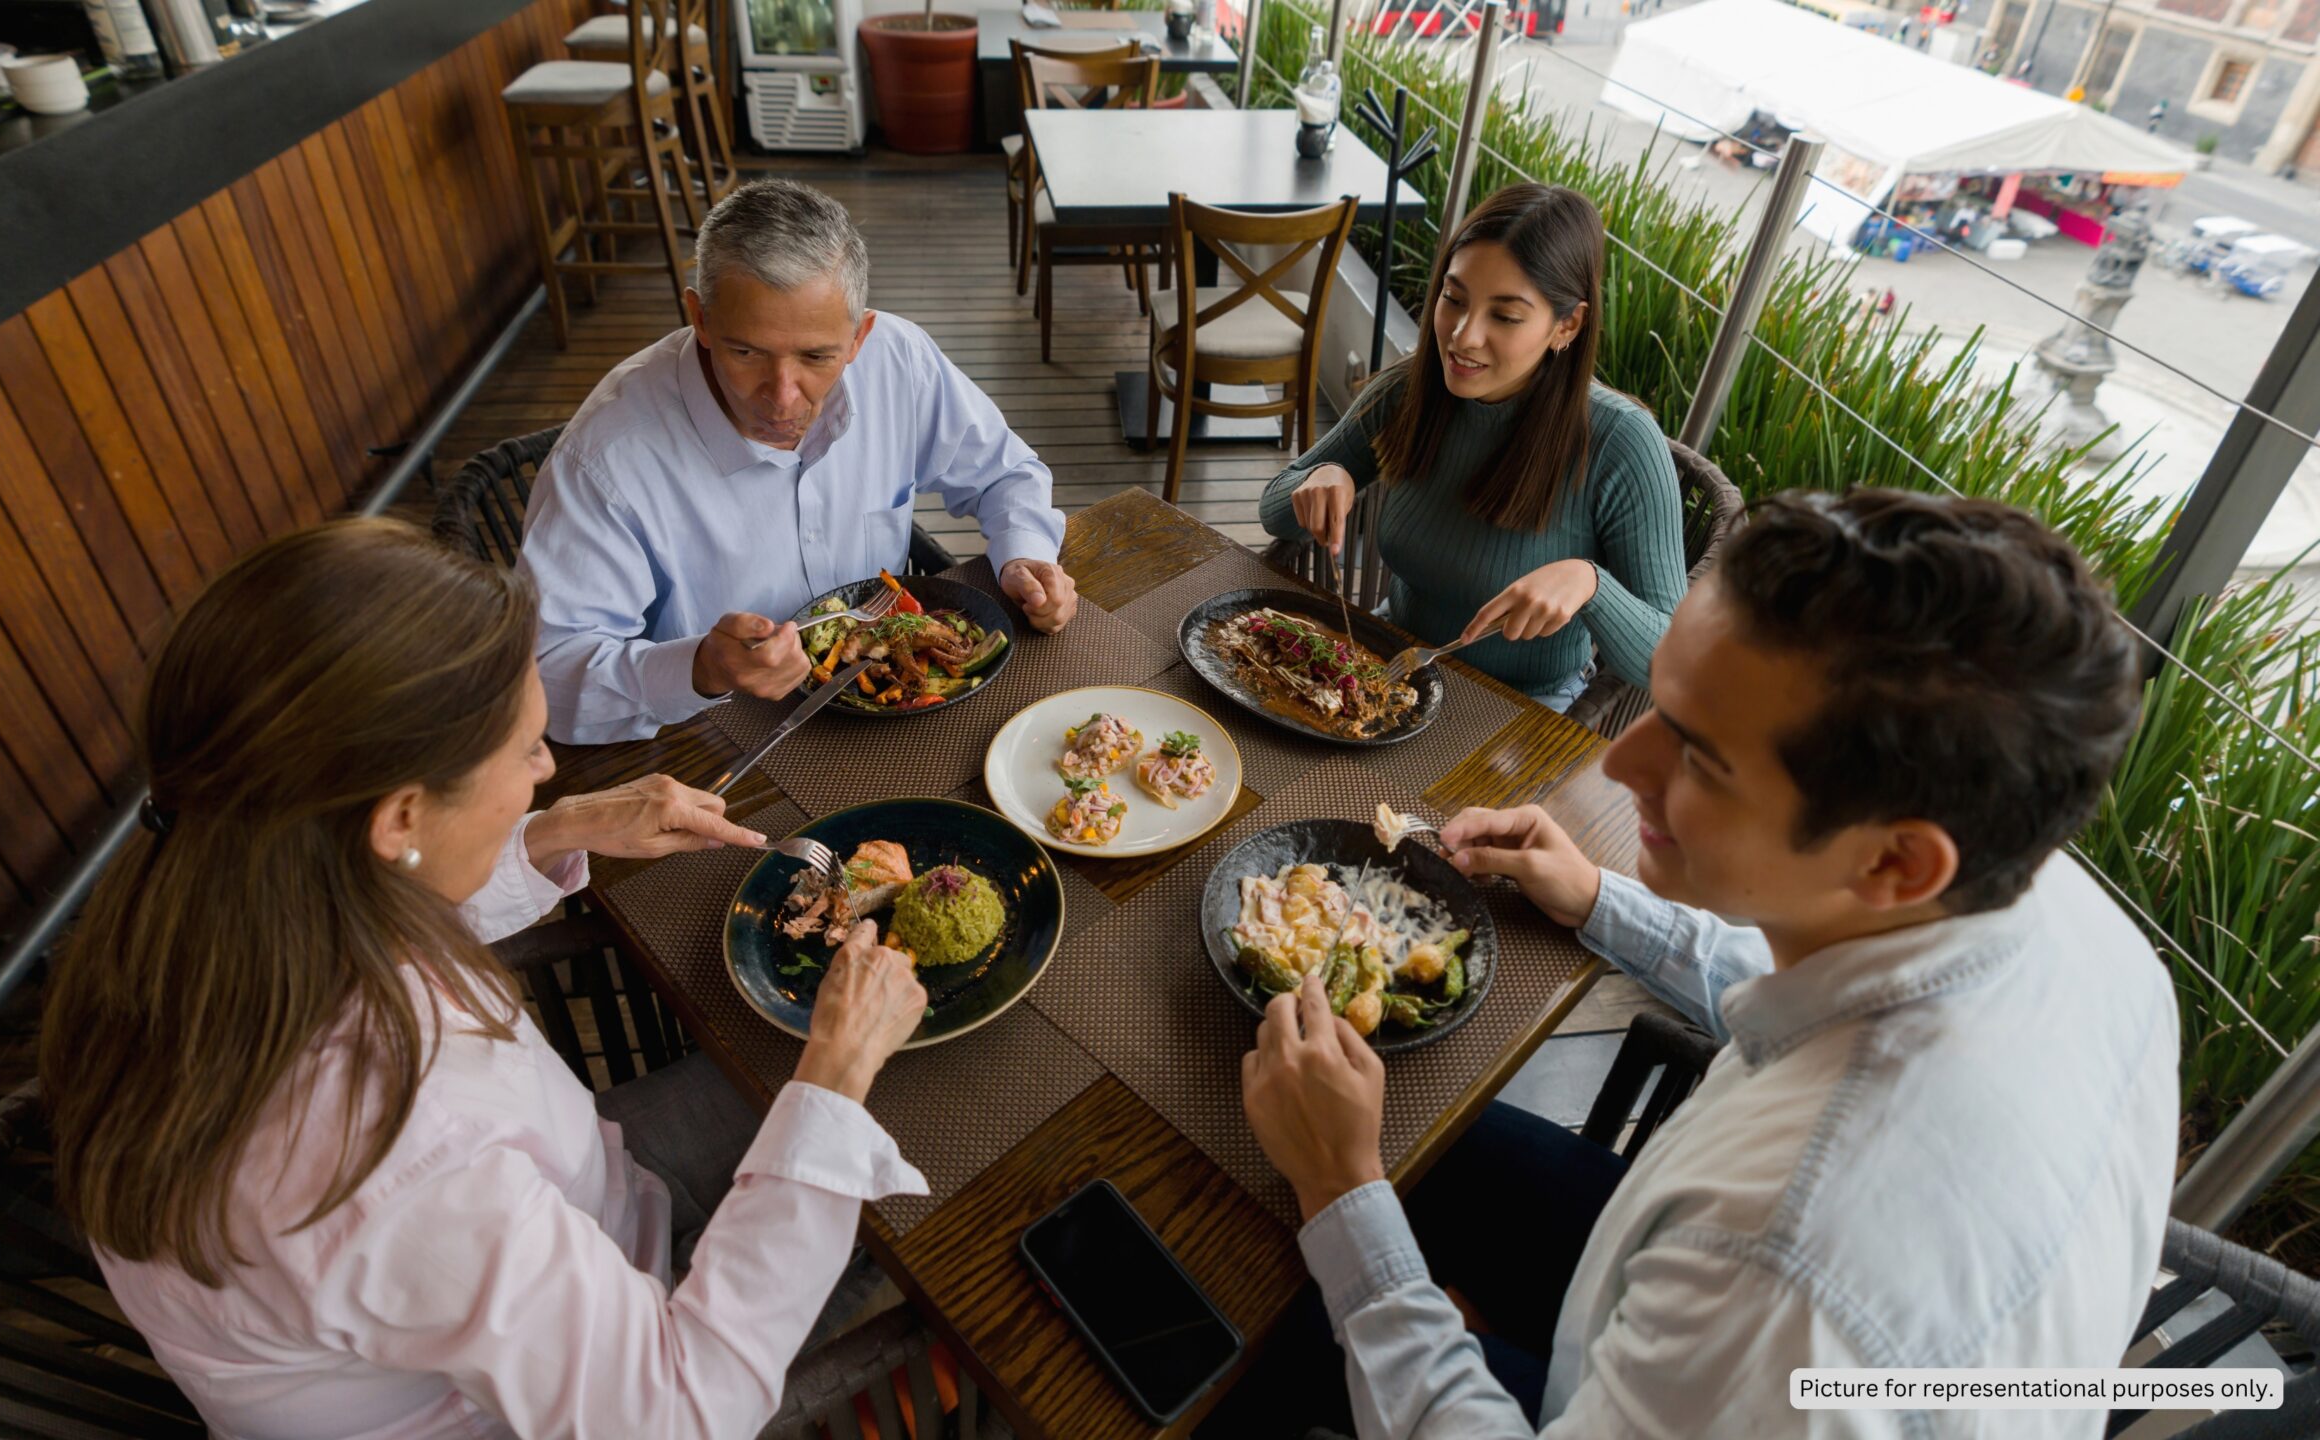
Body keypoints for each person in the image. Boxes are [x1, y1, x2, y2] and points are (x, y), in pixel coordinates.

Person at [1225, 489, 2179, 1438]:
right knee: (1421, 1129)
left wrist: (1343, 1196)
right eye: (1662, 704)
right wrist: (1599, 898)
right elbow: (1819, 980)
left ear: (1895, 859)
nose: (1623, 761)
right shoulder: (2052, 897)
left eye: (1702, 756)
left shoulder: (1788, 1282)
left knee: (1266, 1319)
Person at [41, 518, 933, 1438]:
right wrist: (831, 1075)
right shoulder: (388, 1158)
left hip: (573, 1221)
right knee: (919, 1170)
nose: (546, 770)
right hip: (581, 1393)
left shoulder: (216, 888)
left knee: (890, 1100)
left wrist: (552, 830)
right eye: (526, 750)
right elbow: (677, 1417)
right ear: (400, 819)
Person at [518, 179, 1076, 744]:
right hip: (709, 736)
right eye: (746, 352)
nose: (782, 397)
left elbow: (1006, 472)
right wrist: (700, 669)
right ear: (700, 319)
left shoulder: (897, 360)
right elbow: (549, 679)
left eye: (816, 356)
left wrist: (1025, 556)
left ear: (859, 338)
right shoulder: (604, 460)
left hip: (894, 705)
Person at [1260, 184, 1687, 714]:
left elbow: (1674, 666)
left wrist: (1591, 584)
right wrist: (1323, 475)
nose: (1462, 337)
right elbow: (1274, 510)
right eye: (1453, 298)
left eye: (1504, 316)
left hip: (1523, 707)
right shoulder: (1410, 391)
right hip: (1393, 666)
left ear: (1567, 325)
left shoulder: (1621, 442)